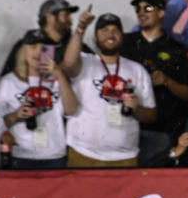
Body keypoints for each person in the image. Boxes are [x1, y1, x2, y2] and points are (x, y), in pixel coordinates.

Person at [63, 12, 157, 167]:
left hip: (125, 156)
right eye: (104, 30)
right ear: (95, 37)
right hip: (83, 153)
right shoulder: (85, 62)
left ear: (122, 36)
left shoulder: (137, 70)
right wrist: (80, 28)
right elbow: (68, 64)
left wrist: (136, 109)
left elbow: (151, 115)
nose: (110, 34)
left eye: (115, 30)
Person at [121, 0, 188, 165]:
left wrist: (167, 81)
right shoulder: (125, 44)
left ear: (161, 13)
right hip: (126, 129)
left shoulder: (176, 49)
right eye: (138, 9)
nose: (141, 13)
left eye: (148, 8)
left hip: (164, 130)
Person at [0, 28, 78, 168]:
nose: (38, 52)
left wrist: (59, 73)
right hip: (21, 154)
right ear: (23, 51)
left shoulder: (57, 80)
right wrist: (16, 115)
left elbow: (72, 110)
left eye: (44, 48)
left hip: (54, 154)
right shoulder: (8, 82)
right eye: (33, 47)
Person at [1, 0, 94, 74]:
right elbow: (7, 78)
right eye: (65, 15)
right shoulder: (27, 44)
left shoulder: (77, 46)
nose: (70, 20)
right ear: (49, 17)